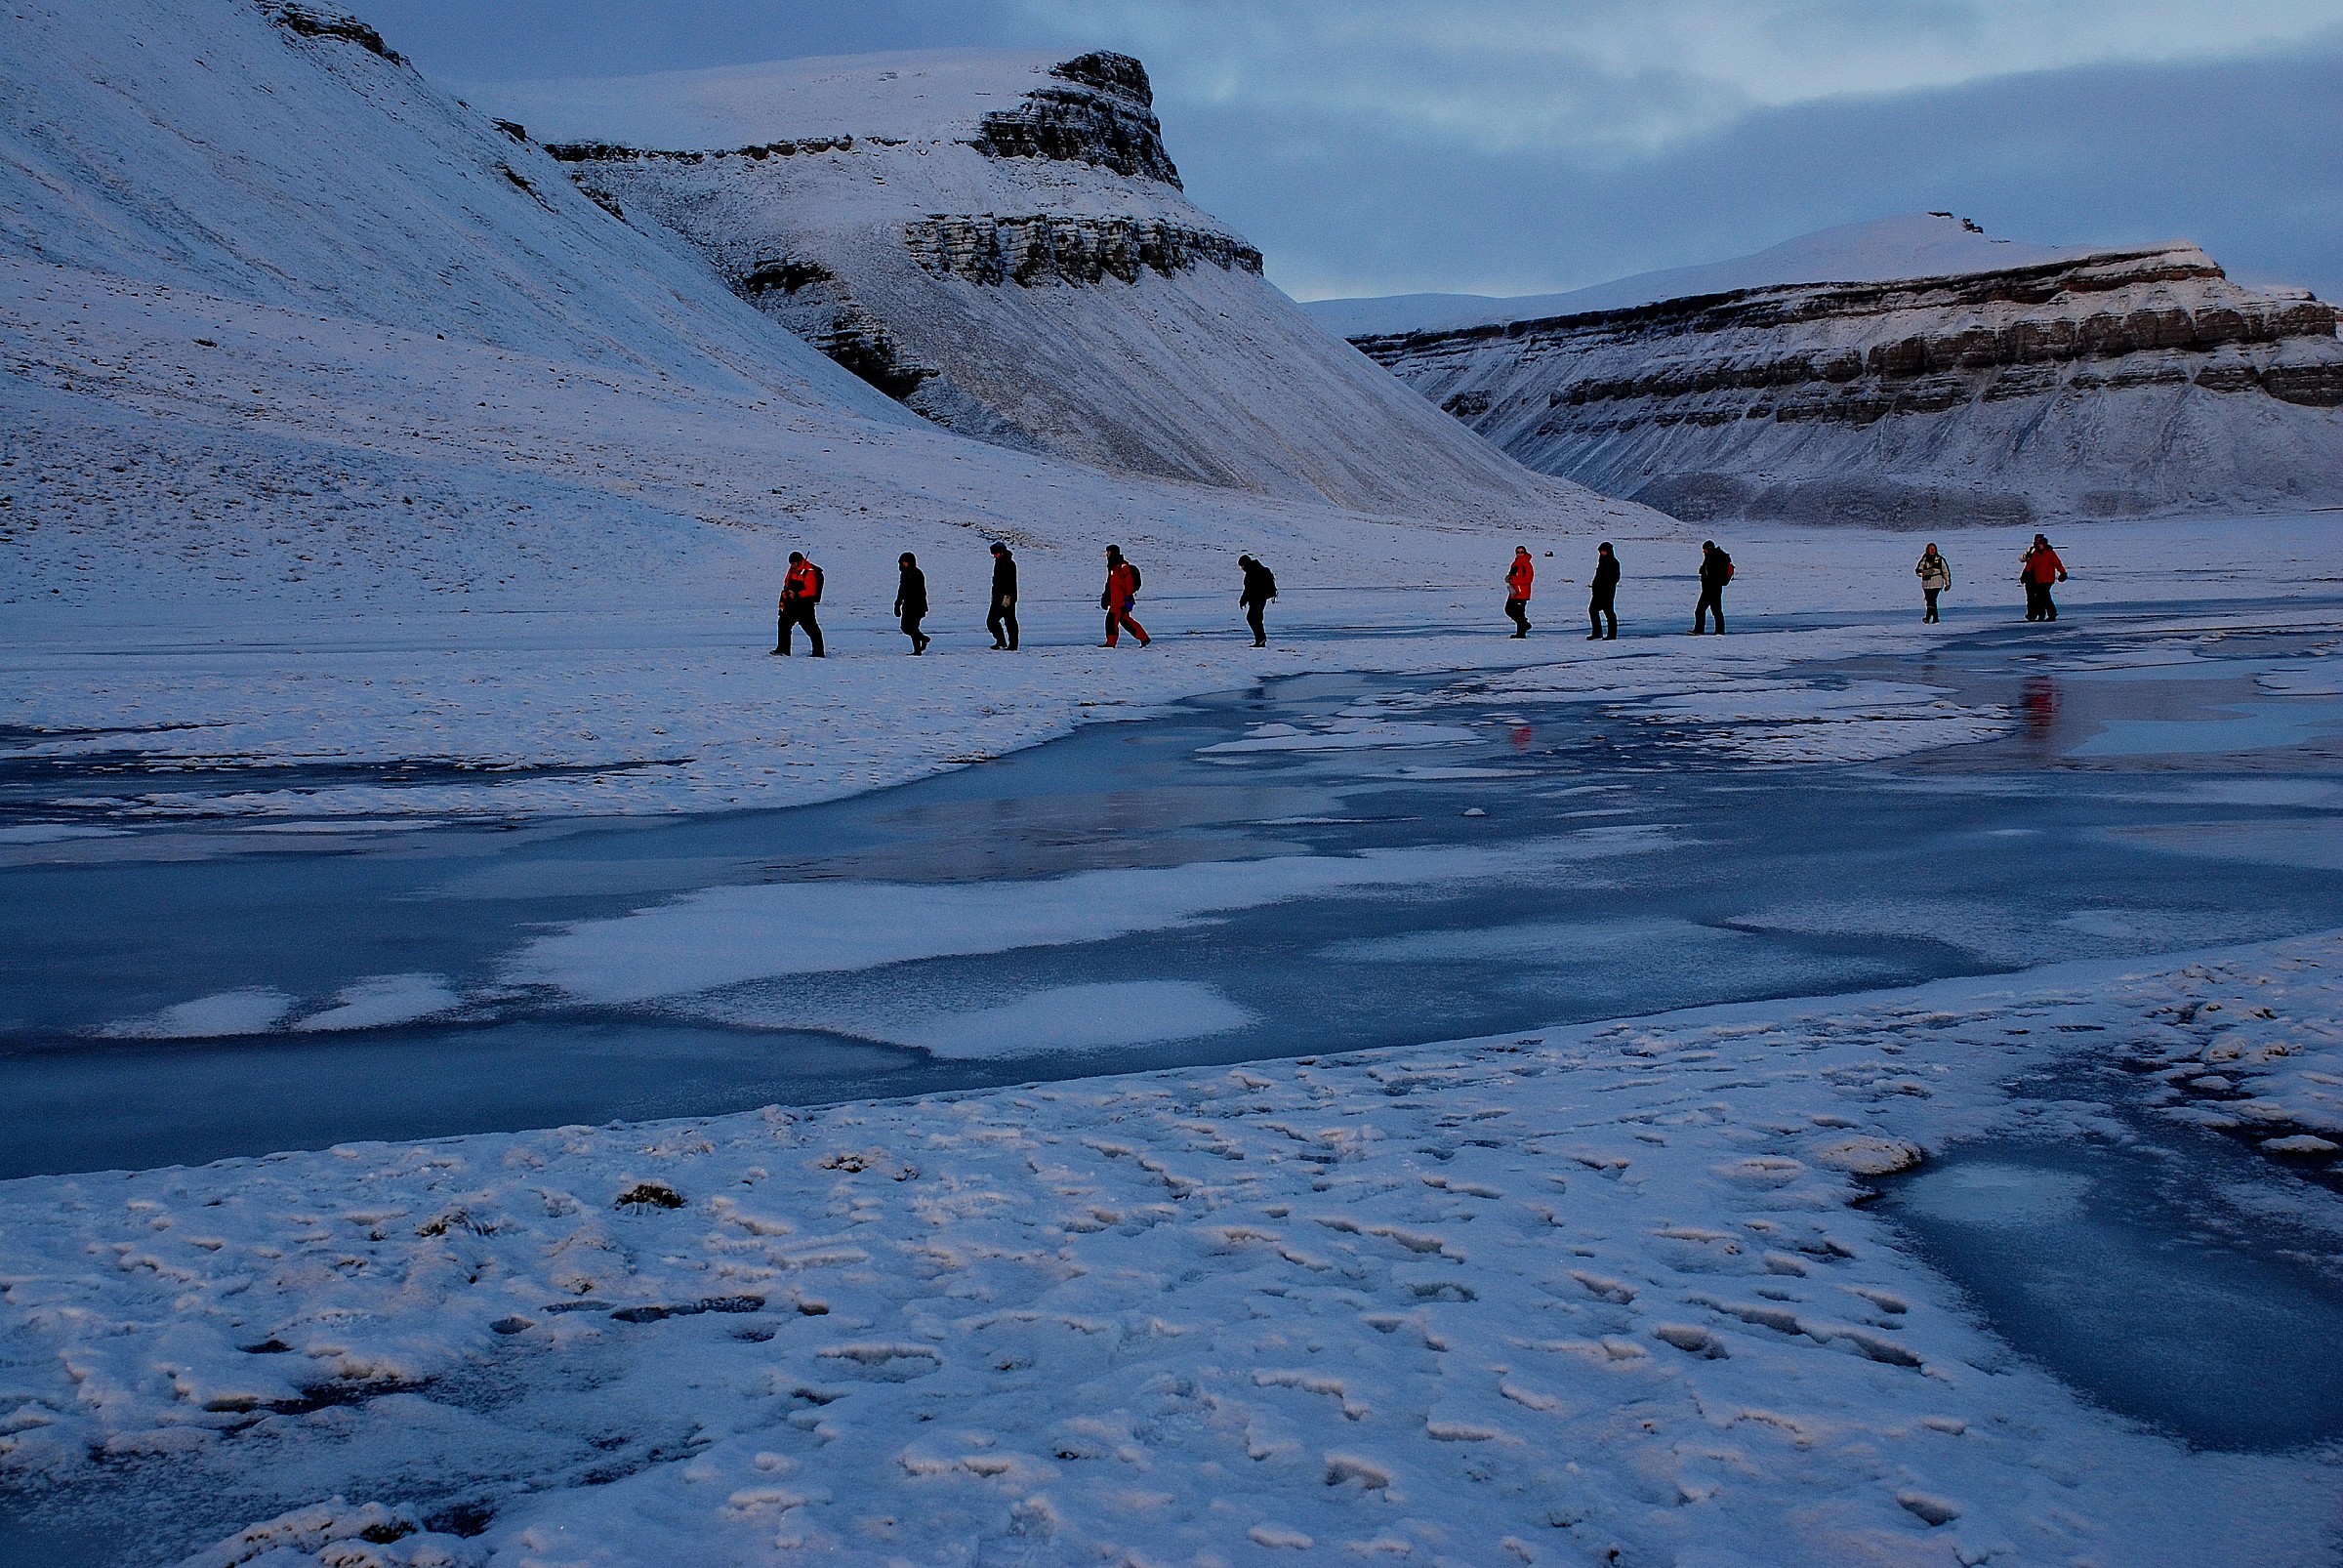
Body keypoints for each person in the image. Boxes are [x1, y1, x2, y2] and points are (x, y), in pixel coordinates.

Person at [772, 550, 825, 657]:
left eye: (794, 564)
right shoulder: (792, 569)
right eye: (791, 564)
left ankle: (818, 652)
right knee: (783, 623)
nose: (792, 566)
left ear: (800, 562)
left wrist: (796, 594)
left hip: (805, 606)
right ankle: (783, 650)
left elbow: (811, 591)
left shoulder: (809, 572)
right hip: (792, 604)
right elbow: (786, 583)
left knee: (811, 628)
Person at [1101, 545, 1149, 647]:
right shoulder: (1113, 567)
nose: (1107, 555)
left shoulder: (1123, 566)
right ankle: (1144, 638)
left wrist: (1128, 597)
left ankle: (1111, 643)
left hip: (1120, 601)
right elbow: (1110, 584)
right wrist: (1105, 597)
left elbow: (1129, 582)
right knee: (1126, 621)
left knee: (1111, 620)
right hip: (1115, 600)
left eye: (1108, 552)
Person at [2020, 533, 2067, 621]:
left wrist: (2063, 573)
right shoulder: (2035, 554)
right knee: (2040, 597)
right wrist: (2024, 575)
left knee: (2045, 597)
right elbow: (2029, 566)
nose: (2039, 545)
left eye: (2041, 544)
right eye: (2038, 544)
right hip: (2039, 580)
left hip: (2048, 579)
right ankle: (2042, 614)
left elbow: (2058, 564)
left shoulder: (2050, 553)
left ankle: (2051, 614)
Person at [1692, 540, 1732, 634]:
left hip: (1711, 589)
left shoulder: (1714, 558)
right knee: (1716, 611)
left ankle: (1699, 630)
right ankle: (1719, 631)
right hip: (1713, 589)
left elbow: (1712, 575)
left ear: (1709, 549)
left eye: (1705, 549)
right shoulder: (1712, 557)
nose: (1703, 551)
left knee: (1700, 610)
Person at [894, 552, 930, 653]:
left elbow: (920, 592)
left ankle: (918, 649)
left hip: (917, 606)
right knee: (906, 628)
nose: (903, 564)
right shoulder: (904, 574)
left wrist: (916, 604)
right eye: (902, 562)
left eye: (905, 562)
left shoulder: (917, 573)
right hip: (908, 605)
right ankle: (922, 640)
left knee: (912, 627)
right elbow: (901, 590)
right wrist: (897, 604)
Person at [1238, 554, 1278, 646]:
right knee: (1256, 618)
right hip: (1261, 598)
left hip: (1257, 599)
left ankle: (1260, 639)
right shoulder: (1257, 569)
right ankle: (1260, 639)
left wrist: (1243, 600)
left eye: (1242, 566)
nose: (1242, 568)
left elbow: (1248, 589)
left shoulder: (1252, 572)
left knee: (1252, 618)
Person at [987, 542, 1019, 650]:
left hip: (1007, 598)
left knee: (1010, 621)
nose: (994, 556)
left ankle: (1013, 644)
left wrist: (1008, 597)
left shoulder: (1009, 564)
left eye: (995, 554)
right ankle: (1001, 641)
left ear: (1001, 552)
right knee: (991, 621)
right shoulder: (998, 563)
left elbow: (1010, 583)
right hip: (997, 598)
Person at [1587, 542, 1620, 640]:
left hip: (1607, 592)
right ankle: (1597, 633)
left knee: (1609, 613)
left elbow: (1616, 578)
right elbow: (1598, 575)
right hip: (1598, 592)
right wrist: (1594, 585)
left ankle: (1611, 635)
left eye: (1604, 551)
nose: (1602, 553)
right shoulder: (1601, 561)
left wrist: (1606, 586)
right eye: (1601, 551)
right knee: (1592, 610)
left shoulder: (1614, 562)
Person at [1915, 543, 1952, 623]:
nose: (1932, 550)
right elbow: (1918, 571)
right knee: (1929, 601)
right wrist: (1925, 573)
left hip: (1937, 583)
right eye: (1930, 549)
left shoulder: (1940, 560)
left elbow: (1946, 572)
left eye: (1933, 549)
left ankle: (1929, 618)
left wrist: (1948, 583)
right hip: (1926, 584)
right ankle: (1934, 618)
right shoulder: (1923, 560)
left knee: (1932, 600)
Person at [1504, 546, 1535, 637]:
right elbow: (1512, 575)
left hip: (1522, 593)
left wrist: (1514, 580)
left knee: (1519, 613)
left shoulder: (1527, 564)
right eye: (1518, 552)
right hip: (1514, 592)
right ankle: (1524, 625)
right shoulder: (1515, 563)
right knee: (1509, 610)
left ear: (1525, 552)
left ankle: (1521, 633)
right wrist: (1508, 578)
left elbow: (1528, 579)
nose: (1520, 554)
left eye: (1522, 552)